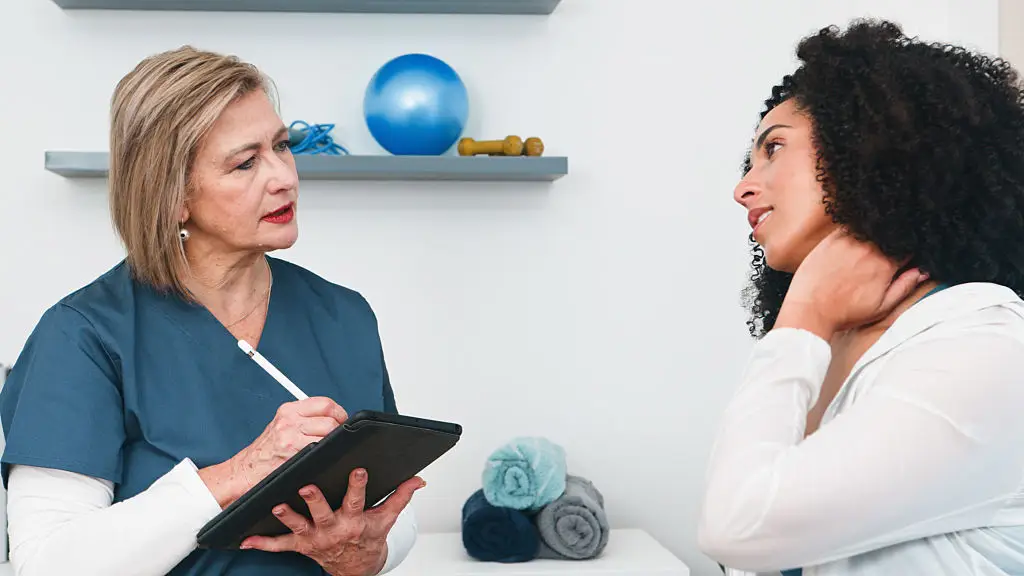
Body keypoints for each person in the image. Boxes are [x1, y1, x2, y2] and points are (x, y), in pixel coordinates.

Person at [0, 46, 423, 575]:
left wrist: (370, 554)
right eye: (245, 163)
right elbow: (47, 563)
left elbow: (391, 504)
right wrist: (240, 473)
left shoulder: (344, 316)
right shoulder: (83, 337)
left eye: (282, 146)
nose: (284, 177)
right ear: (173, 196)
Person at [697, 19, 1024, 576]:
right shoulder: (831, 349)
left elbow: (738, 527)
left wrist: (803, 316)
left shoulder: (987, 348)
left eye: (774, 148)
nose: (742, 187)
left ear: (872, 146)